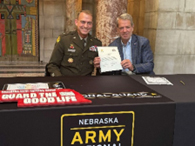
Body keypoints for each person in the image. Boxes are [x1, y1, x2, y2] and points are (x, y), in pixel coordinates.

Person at [46, 10, 102, 76]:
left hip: (86, 83)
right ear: (76, 22)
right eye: (83, 22)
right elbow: (52, 65)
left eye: (89, 23)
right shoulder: (64, 40)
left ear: (92, 24)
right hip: (66, 82)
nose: (86, 26)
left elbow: (100, 70)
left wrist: (100, 66)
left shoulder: (96, 43)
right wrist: (60, 81)